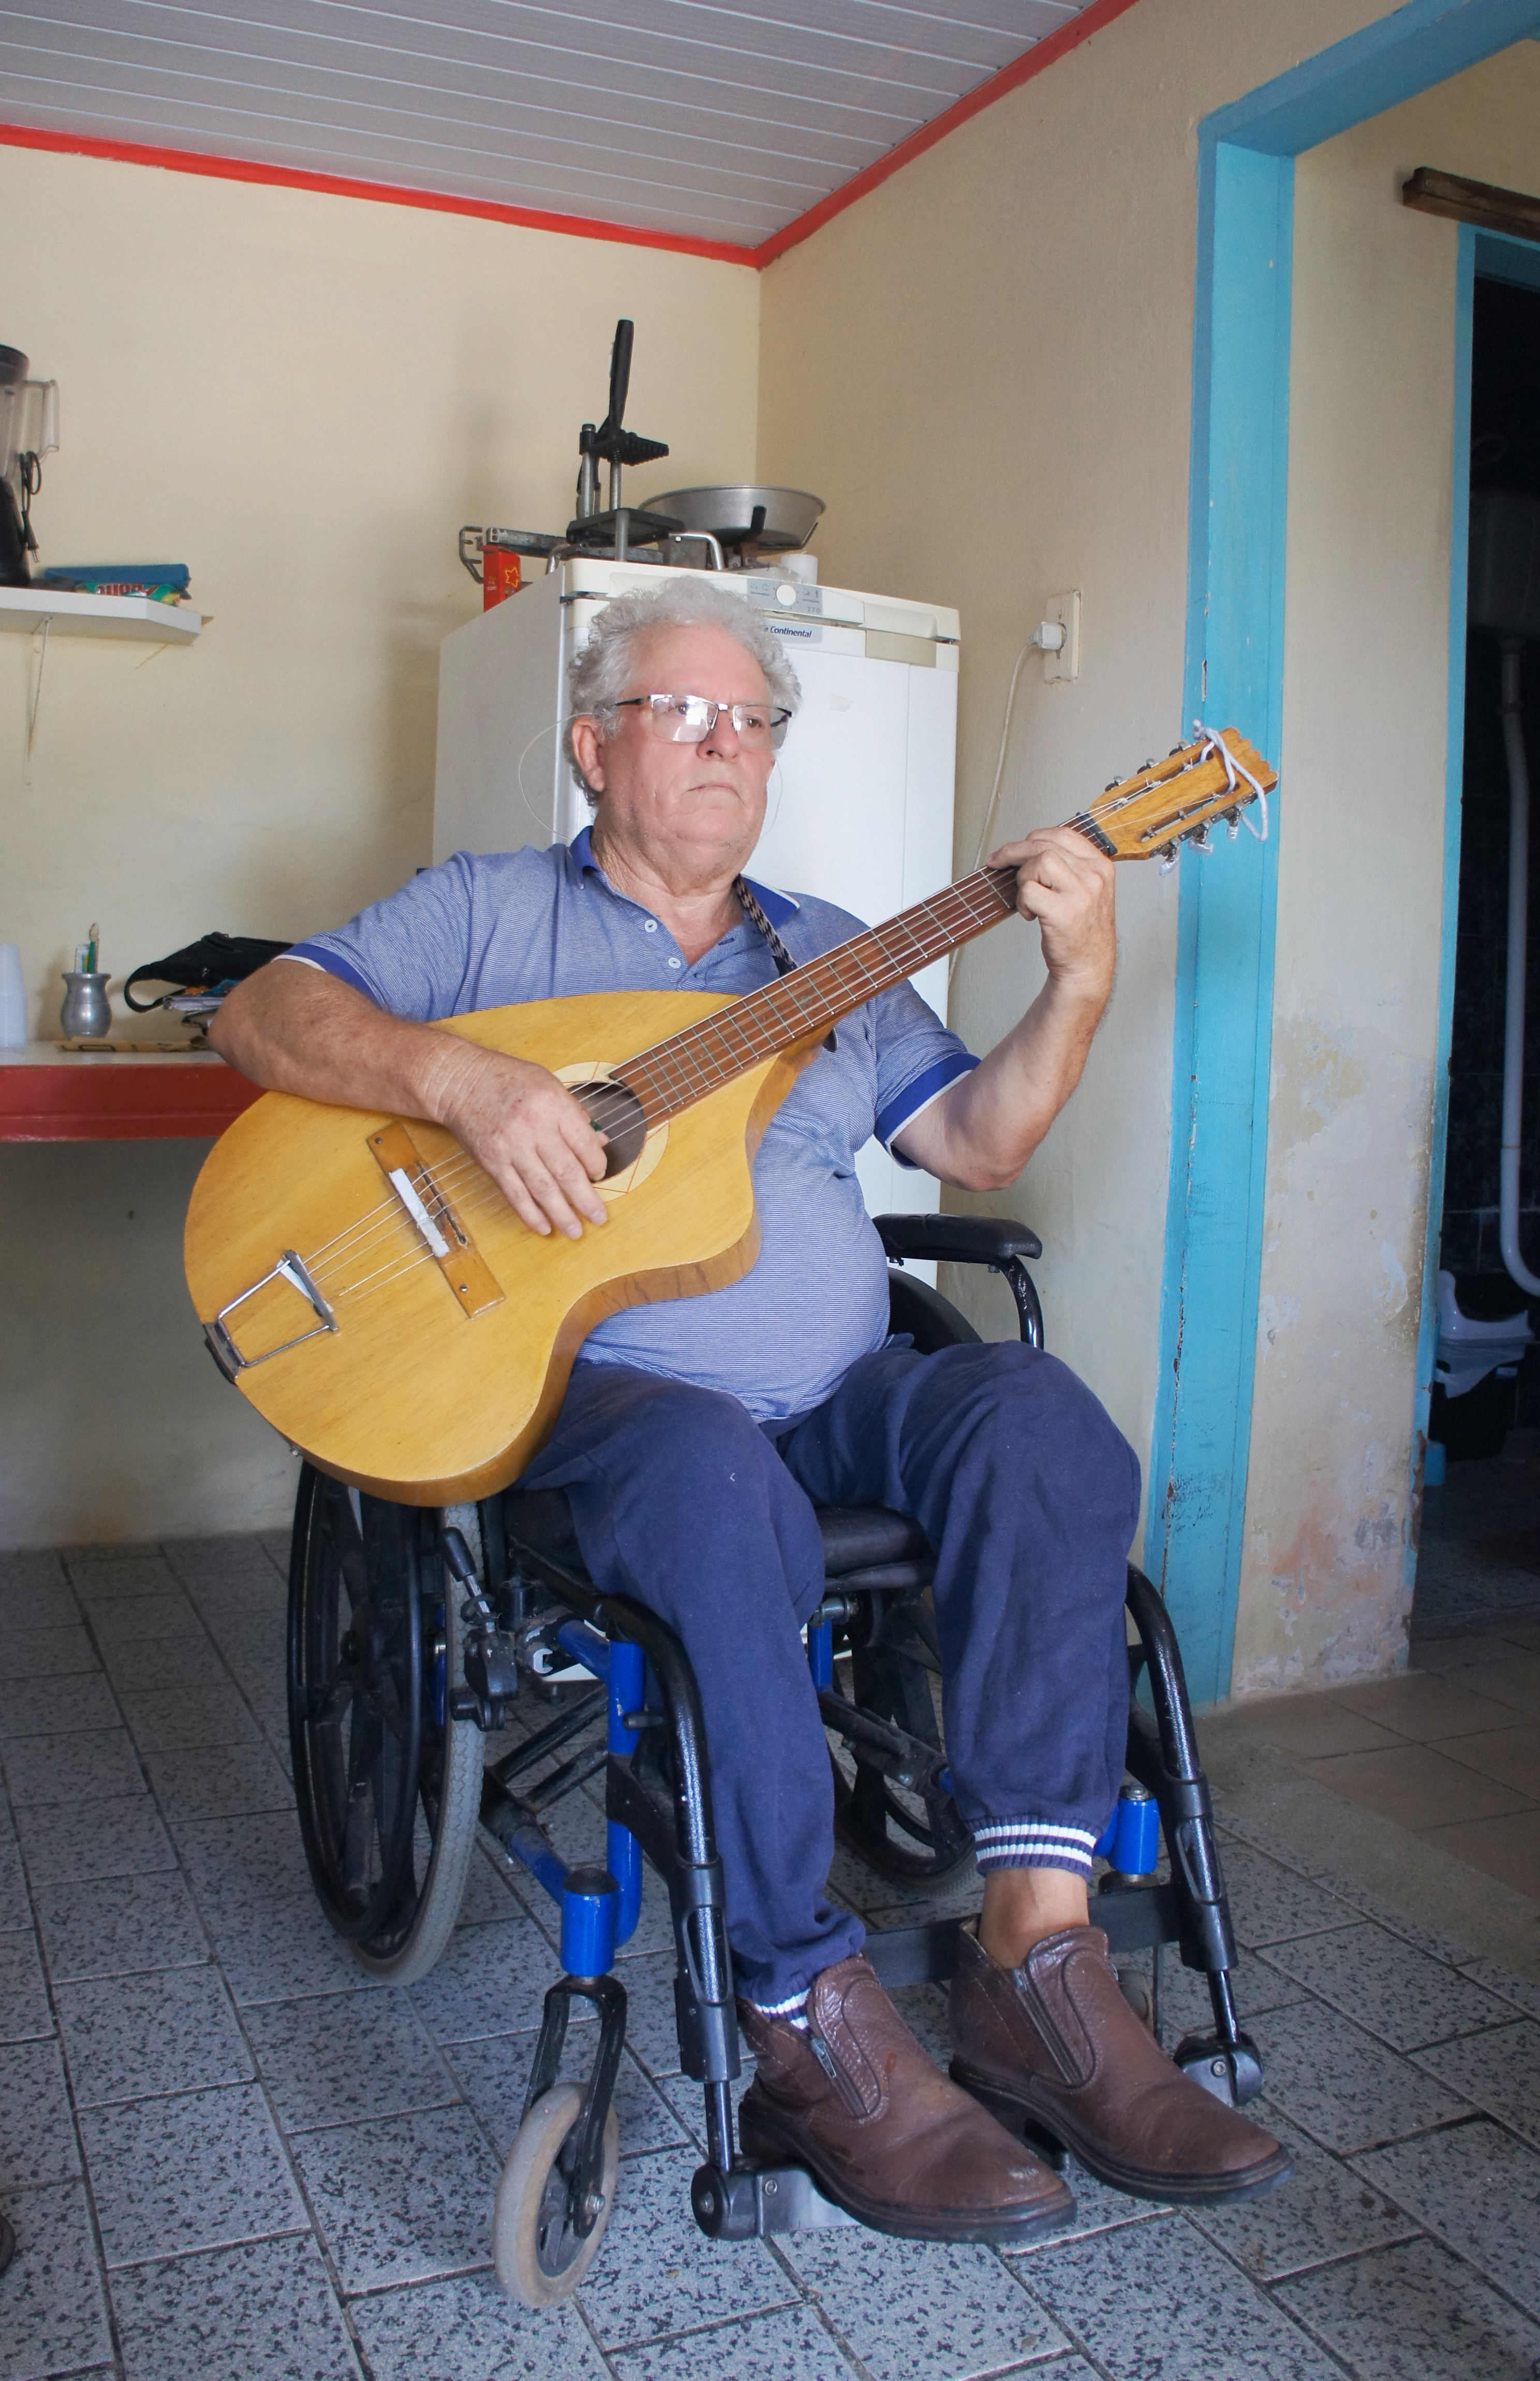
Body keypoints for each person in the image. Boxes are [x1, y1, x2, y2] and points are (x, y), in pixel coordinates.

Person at [212, 576, 1288, 2241]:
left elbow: (979, 1147)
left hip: (840, 1395)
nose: (729, 747)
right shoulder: (490, 916)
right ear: (592, 746)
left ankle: (1037, 1960)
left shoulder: (836, 955)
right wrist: (472, 1084)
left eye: (757, 723)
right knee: (713, 1476)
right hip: (610, 1410)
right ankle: (799, 2004)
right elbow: (260, 1014)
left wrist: (1073, 981)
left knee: (1038, 1415)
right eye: (686, 714)